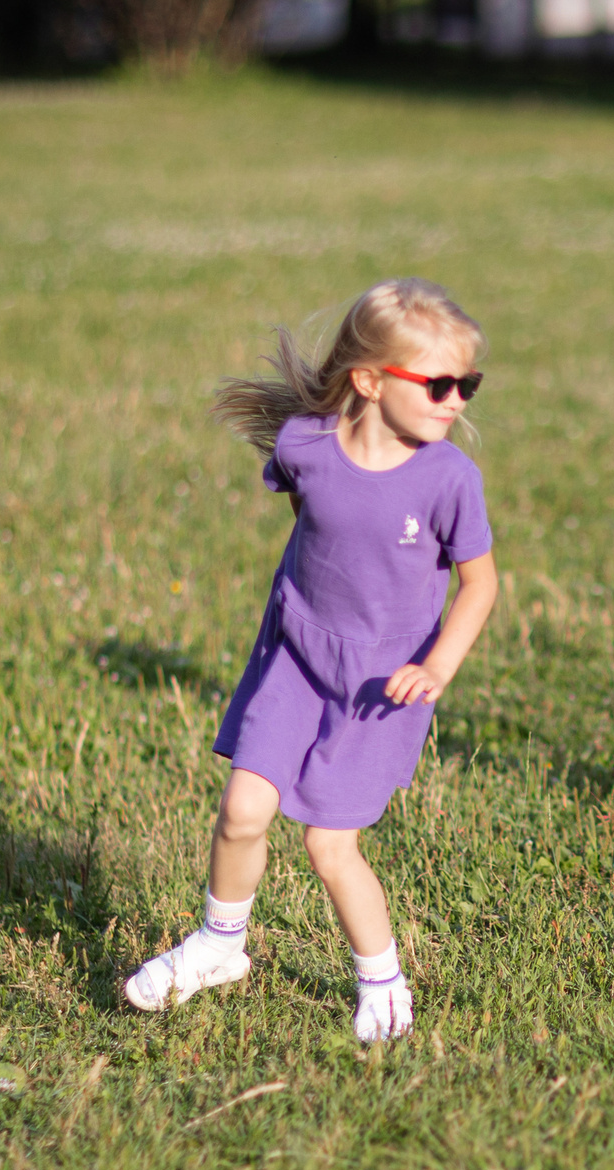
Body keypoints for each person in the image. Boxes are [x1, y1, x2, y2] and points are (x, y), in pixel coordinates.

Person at [123, 279, 498, 1037]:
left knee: (330, 846)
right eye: (437, 383)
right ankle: (220, 945)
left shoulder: (450, 478)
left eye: (468, 383)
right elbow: (315, 520)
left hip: (379, 687)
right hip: (294, 656)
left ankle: (384, 981)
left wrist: (438, 667)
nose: (456, 399)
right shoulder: (305, 447)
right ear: (368, 380)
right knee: (241, 810)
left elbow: (480, 585)